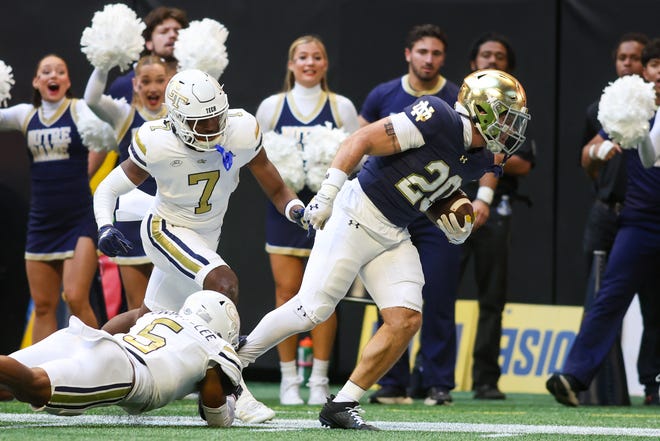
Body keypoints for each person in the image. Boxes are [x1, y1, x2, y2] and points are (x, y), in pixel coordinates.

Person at [239, 69, 531, 429]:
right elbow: (361, 139)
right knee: (310, 310)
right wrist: (328, 194)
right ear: (482, 110)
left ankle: (342, 403)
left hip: (393, 229)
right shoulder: (437, 116)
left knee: (405, 319)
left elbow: (426, 186)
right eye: (505, 116)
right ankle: (233, 360)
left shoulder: (484, 158)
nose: (510, 127)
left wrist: (448, 217)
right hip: (354, 211)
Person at [93, 68, 307, 423]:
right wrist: (104, 225)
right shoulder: (157, 141)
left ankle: (88, 347)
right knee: (223, 285)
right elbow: (109, 188)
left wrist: (296, 209)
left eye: (215, 119)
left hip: (206, 235)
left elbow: (274, 184)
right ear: (175, 119)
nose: (211, 130)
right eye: (200, 123)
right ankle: (234, 390)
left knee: (148, 317)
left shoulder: (240, 130)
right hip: (166, 228)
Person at [547, 37, 660, 407]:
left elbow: (650, 155)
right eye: (655, 65)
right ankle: (574, 376)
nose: (659, 73)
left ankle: (654, 384)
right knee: (609, 296)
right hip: (639, 222)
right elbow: (595, 152)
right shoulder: (631, 110)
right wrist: (600, 149)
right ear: (646, 70)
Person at [358, 23, 461, 406]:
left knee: (438, 292)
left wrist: (482, 196)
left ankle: (438, 383)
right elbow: (361, 142)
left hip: (437, 208)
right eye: (422, 52)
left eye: (436, 53)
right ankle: (390, 382)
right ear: (408, 54)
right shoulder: (382, 94)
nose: (429, 59)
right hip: (389, 210)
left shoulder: (456, 97)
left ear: (443, 58)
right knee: (390, 296)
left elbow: (486, 154)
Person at [255, 34, 359, 406]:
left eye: (317, 57)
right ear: (290, 64)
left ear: (325, 64)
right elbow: (260, 161)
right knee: (286, 294)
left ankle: (319, 379)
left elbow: (356, 157)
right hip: (283, 212)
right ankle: (288, 380)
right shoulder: (271, 107)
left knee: (326, 297)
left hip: (329, 213)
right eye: (302, 57)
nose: (310, 63)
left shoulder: (342, 106)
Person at [0, 290, 243, 427]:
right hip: (127, 370)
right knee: (34, 386)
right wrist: (228, 405)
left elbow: (123, 322)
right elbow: (215, 411)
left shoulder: (161, 315)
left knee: (6, 385)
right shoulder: (218, 347)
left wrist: (94, 349)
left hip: (86, 339)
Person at [0, 54, 102, 342]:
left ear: (68, 81)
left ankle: (100, 369)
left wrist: (87, 171)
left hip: (79, 217)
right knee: (44, 306)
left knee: (75, 296)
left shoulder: (80, 109)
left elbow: (106, 136)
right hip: (42, 221)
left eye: (60, 71)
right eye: (46, 71)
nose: (53, 76)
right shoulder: (26, 115)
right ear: (36, 81)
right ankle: (40, 377)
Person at [459, 33, 535, 400]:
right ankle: (428, 377)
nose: (492, 60)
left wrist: (489, 153)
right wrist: (489, 150)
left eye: (499, 56)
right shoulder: (456, 100)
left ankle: (486, 379)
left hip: (493, 208)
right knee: (435, 292)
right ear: (473, 62)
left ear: (509, 67)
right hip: (448, 200)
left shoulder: (514, 106)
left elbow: (521, 160)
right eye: (485, 54)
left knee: (492, 298)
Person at [578, 32, 651, 405]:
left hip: (644, 217)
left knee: (651, 303)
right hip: (608, 212)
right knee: (600, 299)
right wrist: (598, 159)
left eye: (635, 58)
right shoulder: (601, 108)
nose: (627, 64)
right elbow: (586, 159)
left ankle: (649, 383)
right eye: (622, 57)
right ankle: (596, 387)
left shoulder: (654, 110)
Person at [85, 55, 170, 310]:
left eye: (159, 80)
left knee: (168, 305)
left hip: (169, 217)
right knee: (137, 308)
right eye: (146, 81)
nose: (153, 87)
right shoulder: (124, 115)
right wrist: (103, 62)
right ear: (136, 85)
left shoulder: (178, 117)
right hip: (130, 219)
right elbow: (91, 99)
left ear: (168, 83)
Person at [107, 6, 188, 103]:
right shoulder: (125, 85)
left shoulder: (195, 82)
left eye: (177, 31)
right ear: (149, 42)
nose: (172, 35)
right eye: (164, 31)